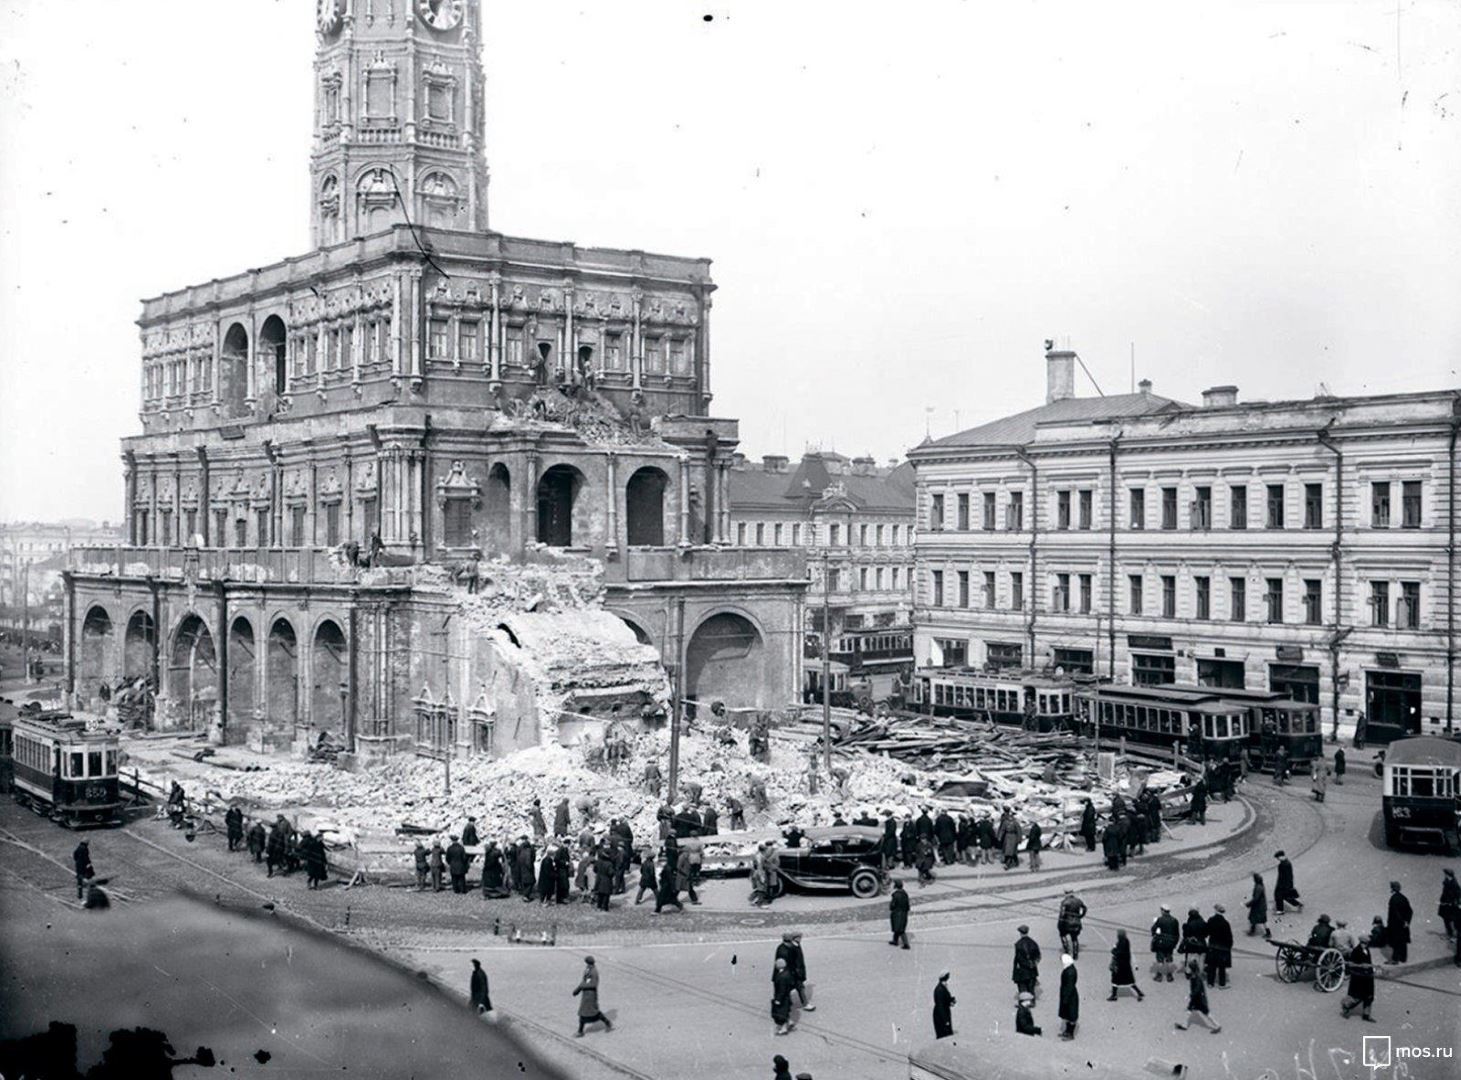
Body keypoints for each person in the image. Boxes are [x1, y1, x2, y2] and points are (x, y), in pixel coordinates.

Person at [1173, 960, 1221, 1033]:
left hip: (1199, 999)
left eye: (1188, 967)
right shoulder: (1194, 976)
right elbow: (1188, 977)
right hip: (1196, 998)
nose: (1186, 968)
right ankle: (1184, 1025)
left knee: (1206, 1012)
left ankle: (1217, 1025)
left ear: (1192, 969)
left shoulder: (1197, 978)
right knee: (1189, 1010)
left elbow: (1197, 989)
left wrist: (1190, 996)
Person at [572, 956, 613, 1036]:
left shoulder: (594, 972)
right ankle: (607, 1022)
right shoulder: (588, 970)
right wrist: (578, 989)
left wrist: (581, 987)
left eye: (587, 963)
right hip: (586, 995)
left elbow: (594, 984)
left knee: (590, 1012)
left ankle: (580, 1031)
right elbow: (584, 981)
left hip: (591, 995)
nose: (587, 965)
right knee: (586, 1012)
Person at [1340, 935, 1376, 1021]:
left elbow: (1369, 962)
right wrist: (1362, 966)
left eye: (1367, 943)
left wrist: (1371, 969)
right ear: (1360, 943)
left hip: (1368, 976)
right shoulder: (1356, 951)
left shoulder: (1367, 950)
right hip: (1359, 977)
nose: (1365, 945)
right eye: (1364, 943)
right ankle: (1347, 1006)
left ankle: (1366, 1015)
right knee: (1358, 996)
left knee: (1369, 996)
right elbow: (1352, 964)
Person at [1108, 929, 1145, 1001]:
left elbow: (1118, 952)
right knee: (1130, 981)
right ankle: (1139, 992)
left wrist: (1113, 950)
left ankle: (1114, 995)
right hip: (1126, 965)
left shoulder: (1121, 943)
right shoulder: (1126, 941)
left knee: (1115, 980)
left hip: (1119, 965)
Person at [1205, 905, 1233, 989]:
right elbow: (1229, 937)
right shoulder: (1225, 923)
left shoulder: (1210, 920)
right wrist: (1229, 946)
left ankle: (1210, 983)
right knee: (1222, 967)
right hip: (1222, 948)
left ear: (1216, 911)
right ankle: (1222, 984)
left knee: (1211, 966)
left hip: (1212, 946)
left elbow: (1207, 932)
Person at [1151, 904, 1180, 982]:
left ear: (1163, 911)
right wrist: (1175, 943)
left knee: (1160, 959)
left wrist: (1155, 935)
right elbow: (1177, 934)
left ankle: (1159, 976)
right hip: (1170, 943)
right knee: (1169, 959)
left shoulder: (1159, 920)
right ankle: (1169, 976)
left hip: (1161, 943)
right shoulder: (1174, 920)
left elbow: (1153, 930)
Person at [1386, 881, 1412, 964]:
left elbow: (1394, 913)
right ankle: (1403, 958)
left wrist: (1400, 921)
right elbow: (1410, 911)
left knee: (1395, 942)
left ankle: (1395, 959)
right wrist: (1407, 921)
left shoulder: (1393, 899)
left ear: (1392, 889)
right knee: (1403, 941)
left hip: (1396, 925)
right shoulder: (1404, 898)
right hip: (1404, 925)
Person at [1012, 924, 1041, 998]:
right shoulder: (1033, 943)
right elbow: (1038, 956)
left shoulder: (1018, 944)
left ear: (1020, 933)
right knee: (1031, 988)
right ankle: (1032, 1001)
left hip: (1022, 971)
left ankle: (1024, 1005)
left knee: (1023, 989)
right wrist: (1033, 964)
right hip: (1032, 970)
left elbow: (1019, 959)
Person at [771, 956, 798, 1036]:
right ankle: (789, 1022)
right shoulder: (787, 973)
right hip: (787, 996)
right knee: (786, 1011)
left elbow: (781, 990)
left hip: (782, 998)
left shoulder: (781, 977)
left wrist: (778, 999)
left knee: (781, 1013)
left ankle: (783, 1029)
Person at [1058, 890, 1087, 958]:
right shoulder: (1078, 900)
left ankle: (1067, 951)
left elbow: (1062, 914)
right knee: (1074, 938)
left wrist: (1060, 923)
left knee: (1062, 935)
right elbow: (1085, 908)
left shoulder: (1065, 902)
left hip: (1067, 923)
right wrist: (1081, 916)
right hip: (1077, 922)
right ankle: (1075, 954)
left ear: (1066, 893)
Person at [1057, 954, 1079, 1040]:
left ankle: (1070, 1034)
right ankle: (1067, 1031)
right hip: (1068, 995)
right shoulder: (1069, 969)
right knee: (1067, 1015)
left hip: (1069, 997)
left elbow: (1069, 986)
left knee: (1070, 1015)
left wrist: (1065, 998)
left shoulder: (1069, 972)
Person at [1246, 871, 1270, 938]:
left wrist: (1248, 904)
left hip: (1258, 907)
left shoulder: (1258, 887)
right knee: (1261, 919)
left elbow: (1255, 899)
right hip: (1261, 906)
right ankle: (1254, 931)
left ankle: (1253, 931)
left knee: (1254, 918)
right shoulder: (1261, 885)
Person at [932, 972, 956, 1039]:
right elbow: (940, 1005)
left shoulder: (942, 987)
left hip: (942, 1014)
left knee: (946, 1035)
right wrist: (945, 1020)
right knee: (944, 1036)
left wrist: (950, 1000)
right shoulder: (940, 989)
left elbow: (943, 1000)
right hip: (941, 1015)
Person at [889, 879, 911, 949]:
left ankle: (906, 944)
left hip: (897, 914)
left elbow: (892, 906)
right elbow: (908, 906)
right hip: (904, 913)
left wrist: (891, 907)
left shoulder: (895, 895)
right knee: (898, 928)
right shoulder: (905, 894)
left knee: (900, 930)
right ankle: (895, 940)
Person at [1440, 869, 1460, 942]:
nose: (1444, 875)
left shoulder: (1454, 884)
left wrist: (1452, 903)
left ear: (1448, 875)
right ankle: (1449, 934)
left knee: (1452, 921)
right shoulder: (1447, 882)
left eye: (1445, 874)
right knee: (1446, 919)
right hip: (1445, 904)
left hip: (1451, 905)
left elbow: (1457, 895)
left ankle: (1453, 936)